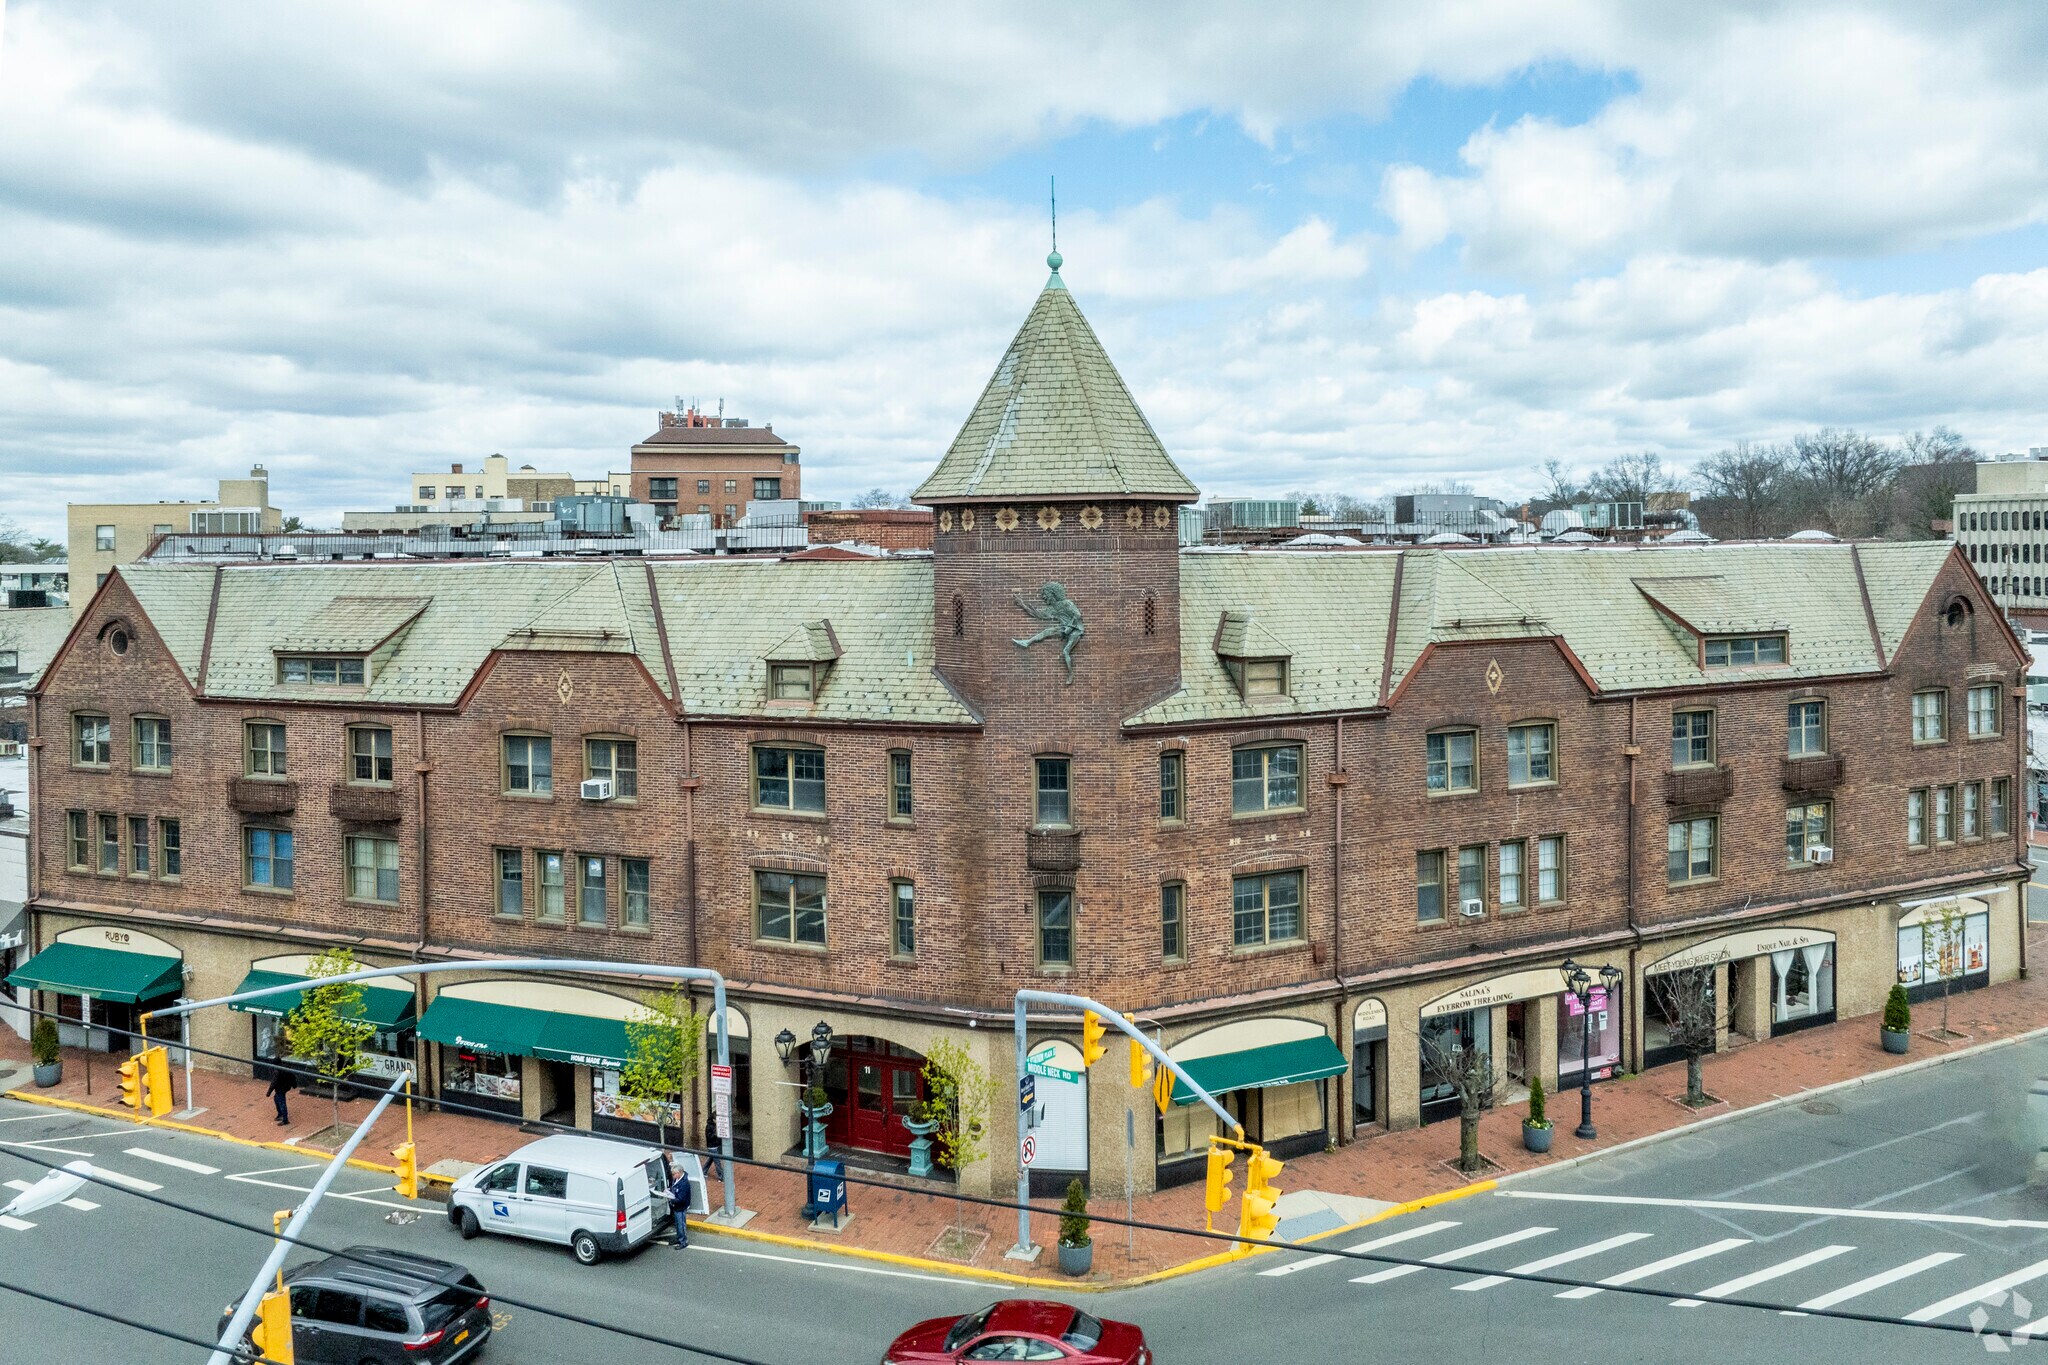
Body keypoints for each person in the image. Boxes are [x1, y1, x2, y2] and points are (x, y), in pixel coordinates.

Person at [667, 1161, 693, 1249]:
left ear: (678, 1173)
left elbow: (681, 1199)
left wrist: (671, 1199)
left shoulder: (684, 1184)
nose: (673, 1176)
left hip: (680, 1207)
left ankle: (683, 1241)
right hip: (677, 1206)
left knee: (681, 1224)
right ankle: (679, 1238)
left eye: (674, 1174)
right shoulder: (677, 1179)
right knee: (678, 1224)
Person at [265, 1062, 294, 1126]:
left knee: (281, 1102)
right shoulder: (285, 1068)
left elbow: (274, 1082)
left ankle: (285, 1119)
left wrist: (269, 1092)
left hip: (280, 1089)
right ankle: (281, 1114)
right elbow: (292, 1076)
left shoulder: (277, 1071)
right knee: (277, 1099)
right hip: (284, 1087)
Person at [703, 1112, 722, 1183]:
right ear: (713, 1119)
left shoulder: (714, 1125)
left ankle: (703, 1171)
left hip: (715, 1145)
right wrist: (715, 1134)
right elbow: (709, 1137)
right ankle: (721, 1176)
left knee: (710, 1159)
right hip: (712, 1146)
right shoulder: (709, 1126)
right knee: (717, 1162)